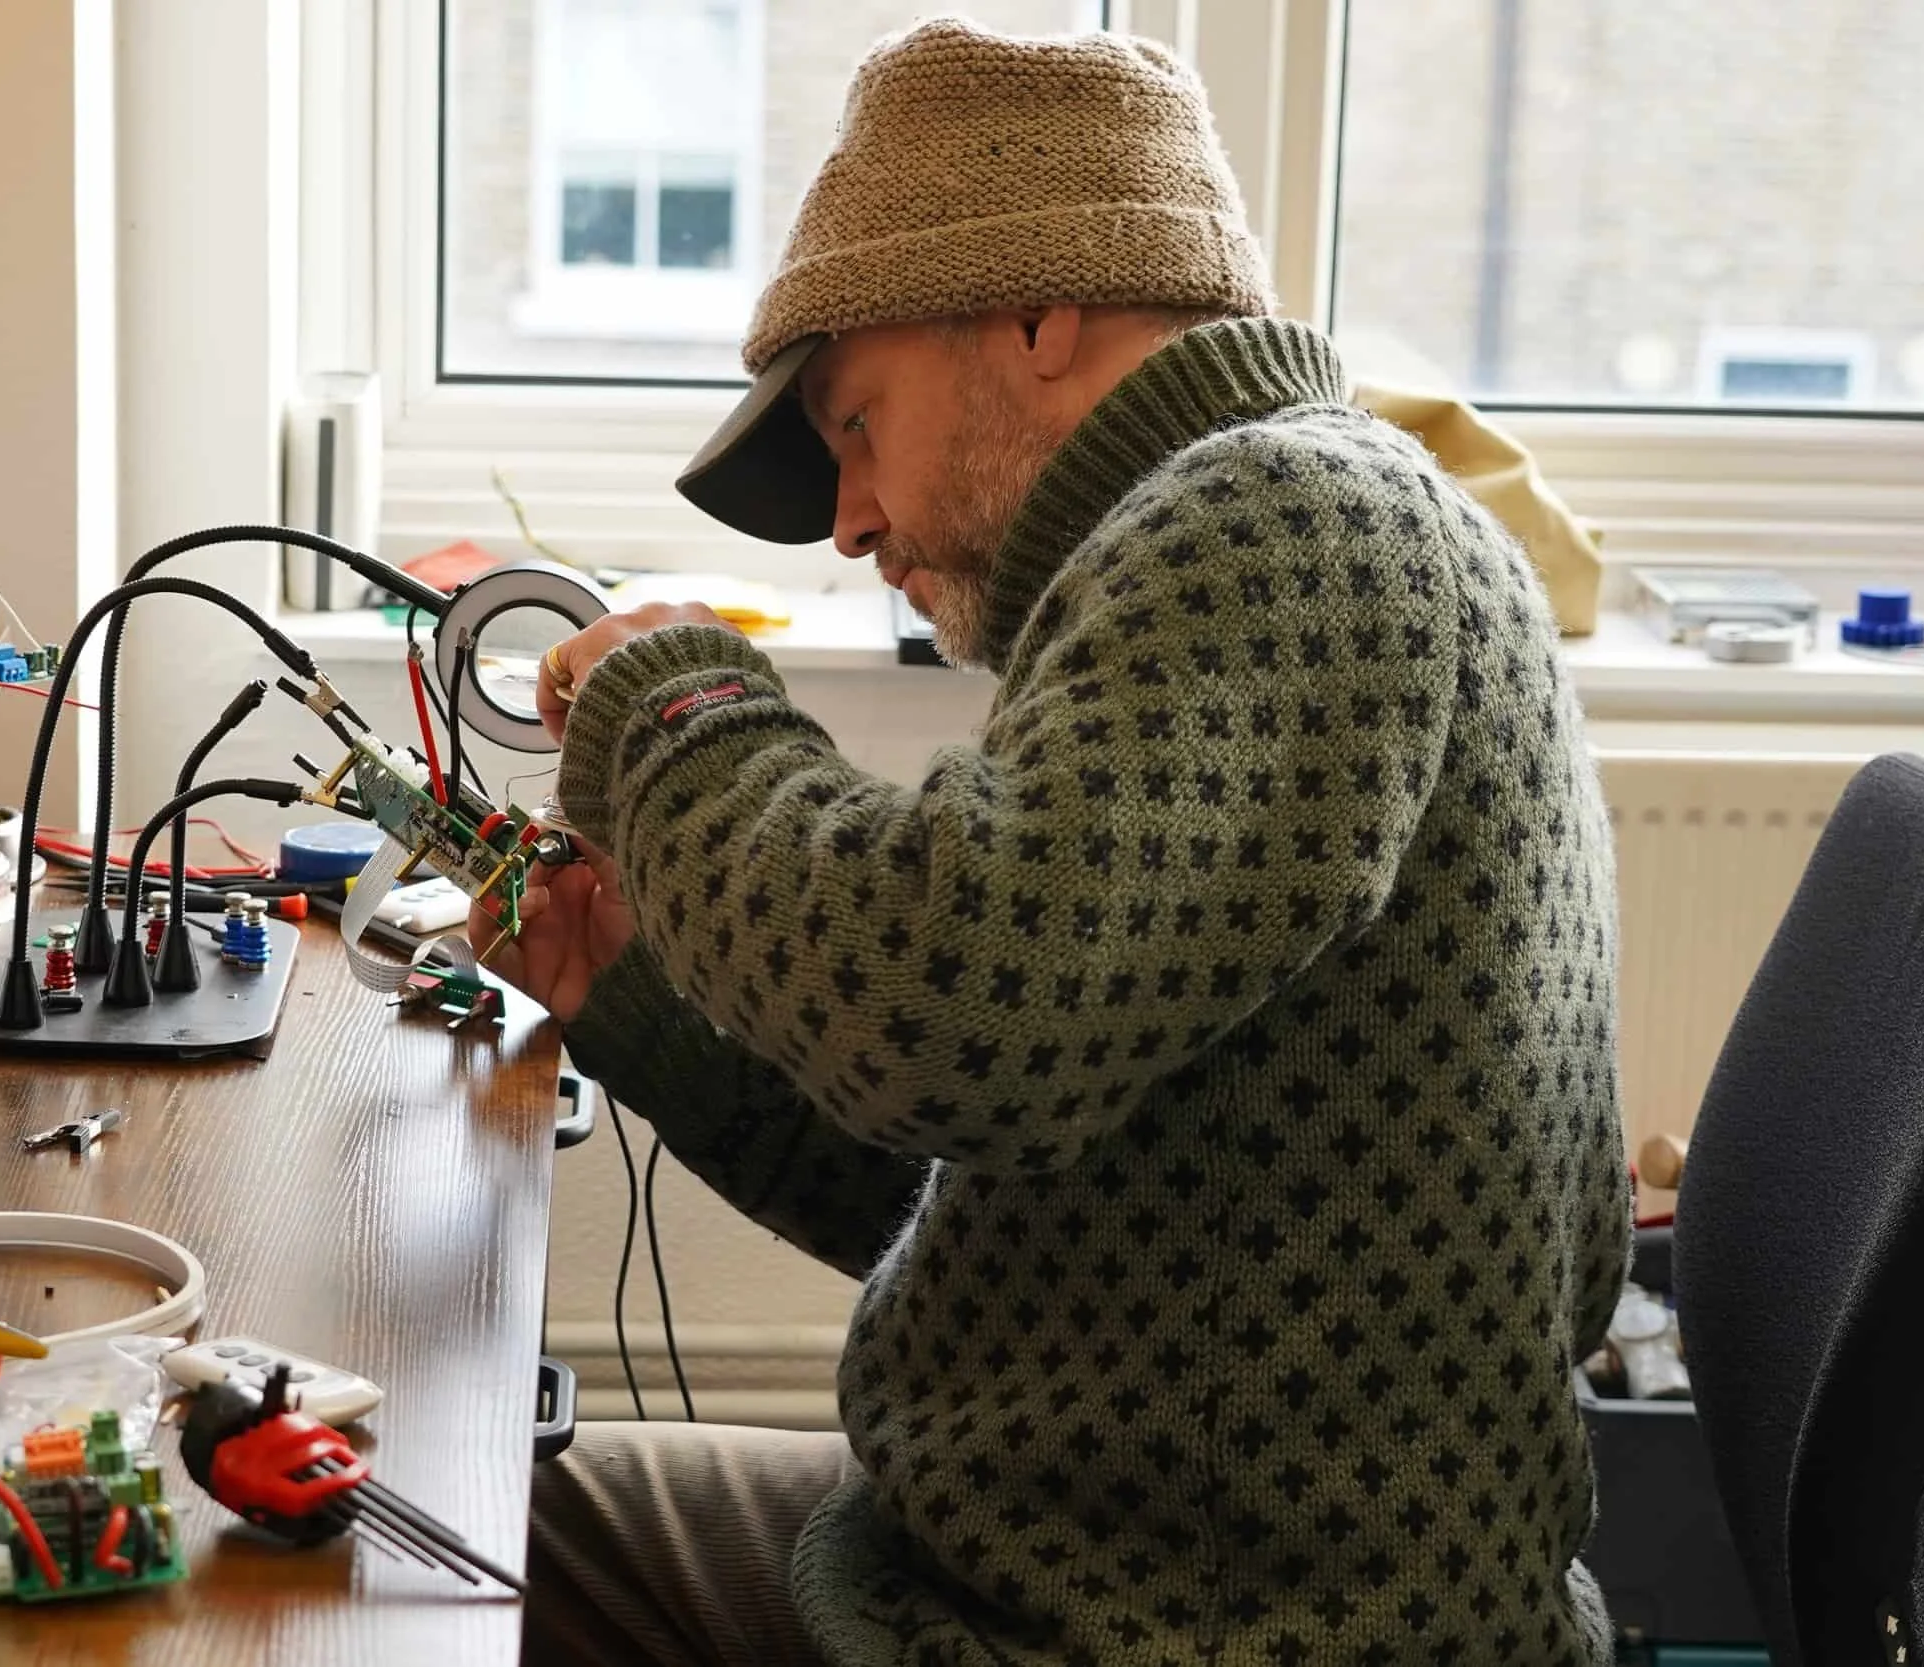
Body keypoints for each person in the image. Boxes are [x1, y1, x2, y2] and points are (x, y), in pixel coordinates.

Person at [490, 18, 1630, 1667]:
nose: (850, 514)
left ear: (1036, 316)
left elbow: (951, 1018)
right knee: (465, 1522)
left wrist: (675, 716)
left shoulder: (1293, 526)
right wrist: (639, 1006)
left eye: (857, 421)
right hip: (1091, 1564)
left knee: (424, 1553)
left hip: (1187, 1627)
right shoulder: (1229, 549)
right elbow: (999, 1195)